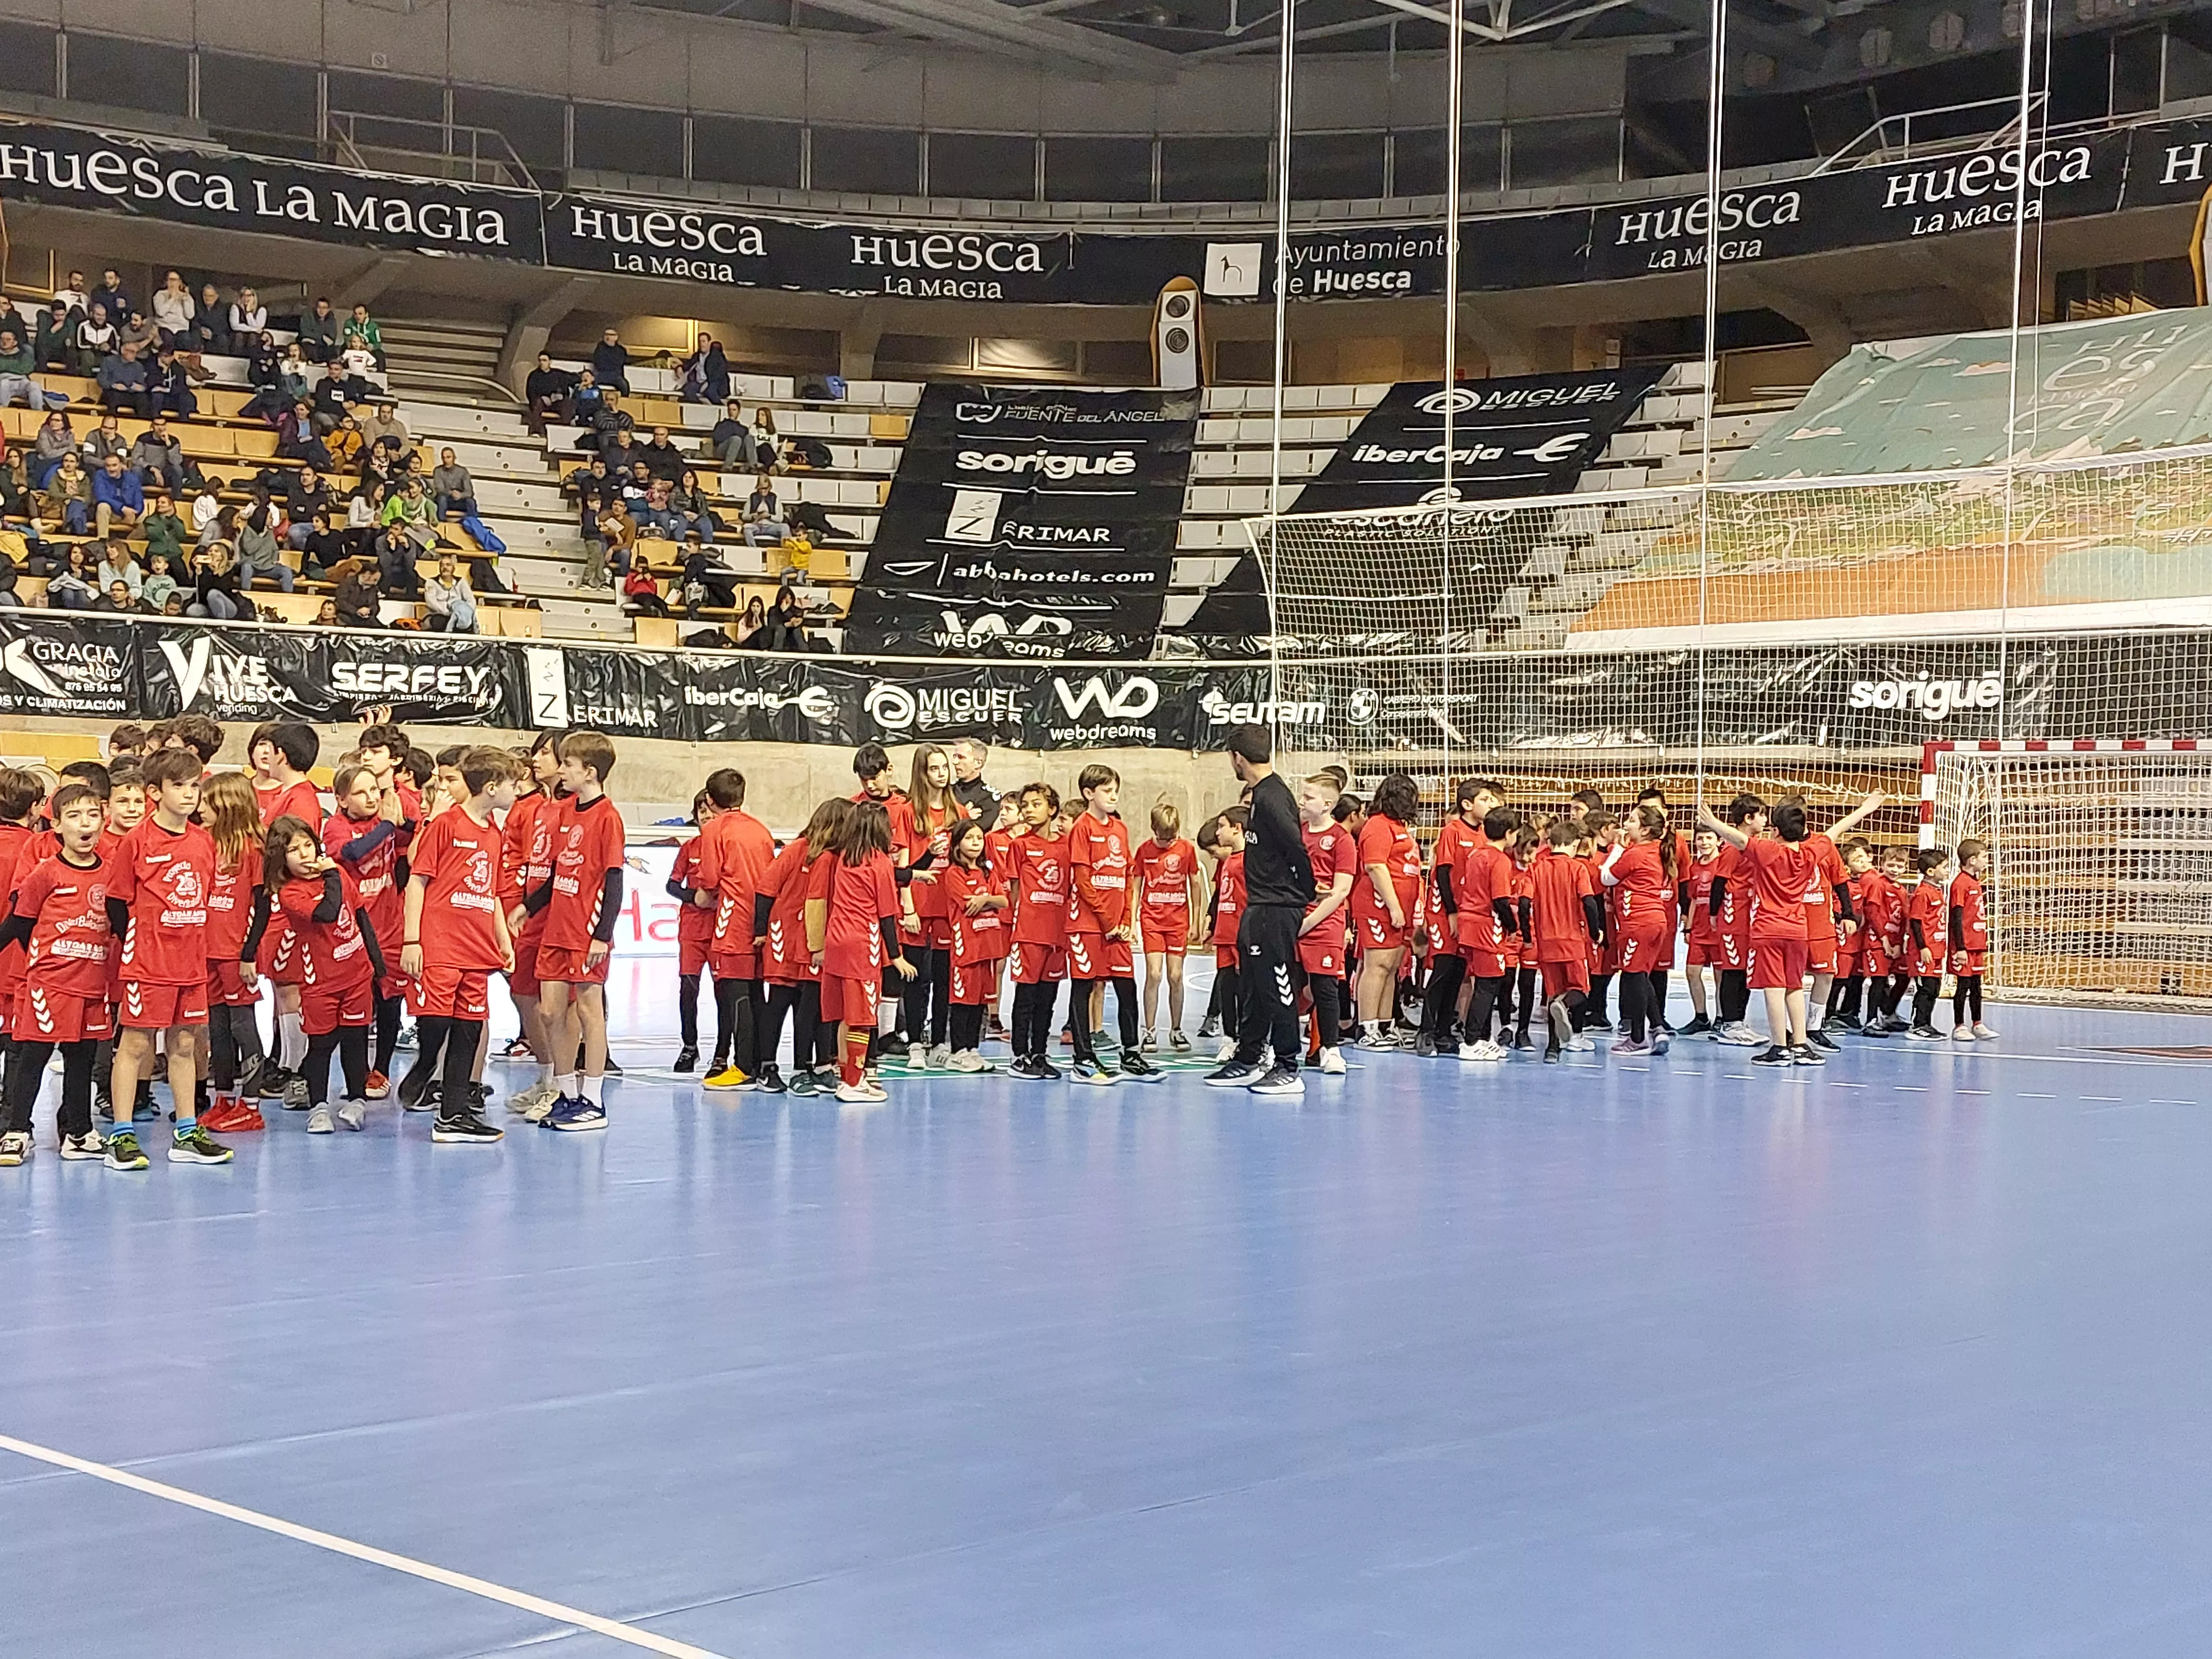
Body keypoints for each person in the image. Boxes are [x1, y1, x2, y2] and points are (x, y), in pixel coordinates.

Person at [106, 748, 231, 1168]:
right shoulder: (137, 840)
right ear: (155, 792)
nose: (189, 794)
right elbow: (117, 901)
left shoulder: (203, 841)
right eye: (179, 785)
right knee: (136, 1043)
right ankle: (122, 1135)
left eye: (195, 785)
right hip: (148, 963)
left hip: (191, 963)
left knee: (185, 1042)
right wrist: (141, 943)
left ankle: (187, 1132)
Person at [398, 746, 519, 1143]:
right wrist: (412, 939)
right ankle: (425, 1065)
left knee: (469, 1028)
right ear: (492, 786)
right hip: (441, 943)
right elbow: (418, 881)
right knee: (437, 1021)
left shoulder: (494, 832)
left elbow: (493, 893)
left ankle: (453, 1114)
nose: (517, 791)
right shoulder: (446, 825)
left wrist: (503, 940)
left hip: (477, 948)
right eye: (512, 784)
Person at [0, 780, 113, 1165]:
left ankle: (79, 1132)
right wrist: (47, 957)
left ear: (103, 821)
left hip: (93, 985)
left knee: (82, 1059)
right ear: (58, 825)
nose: (86, 823)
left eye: (93, 815)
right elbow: (19, 923)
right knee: (34, 1056)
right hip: (49, 984)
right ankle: (17, 1131)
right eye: (75, 816)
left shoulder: (110, 875)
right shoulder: (46, 873)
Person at [525, 731, 625, 1132]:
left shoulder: (608, 817)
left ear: (591, 772)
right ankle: (566, 1095)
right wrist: (527, 907)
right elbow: (557, 872)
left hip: (586, 932)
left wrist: (602, 933)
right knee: (550, 1012)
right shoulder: (567, 811)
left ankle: (594, 1101)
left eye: (568, 764)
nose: (562, 770)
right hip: (556, 929)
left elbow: (614, 880)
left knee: (588, 1010)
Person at [1206, 726, 1313, 1095]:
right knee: (1252, 984)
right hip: (1259, 905)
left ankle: (1288, 1066)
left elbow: (1296, 846)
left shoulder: (1272, 797)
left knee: (1277, 985)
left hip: (1277, 907)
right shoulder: (1260, 795)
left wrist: (1304, 890)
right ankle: (1249, 1057)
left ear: (1237, 757)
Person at [266, 815, 380, 1133]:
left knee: (356, 1040)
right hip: (320, 982)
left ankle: (357, 1100)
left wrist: (377, 966)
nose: (305, 854)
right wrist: (330, 873)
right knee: (322, 1044)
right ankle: (318, 1107)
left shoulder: (338, 874)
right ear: (282, 859)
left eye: (308, 845)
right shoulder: (291, 893)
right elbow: (328, 913)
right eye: (294, 850)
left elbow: (360, 915)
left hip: (356, 976)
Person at [804, 801, 914, 1105]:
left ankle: (849, 1076)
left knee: (844, 1017)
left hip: (836, 941)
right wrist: (896, 956)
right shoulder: (880, 862)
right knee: (862, 1019)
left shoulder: (844, 858)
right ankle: (852, 1083)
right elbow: (887, 915)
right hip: (862, 945)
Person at [1700, 797, 1820, 1066]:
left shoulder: (1765, 849)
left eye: (1769, 817)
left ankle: (1750, 1028)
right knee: (1736, 970)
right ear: (1748, 819)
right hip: (1739, 918)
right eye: (1762, 815)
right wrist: (1714, 914)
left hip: (1760, 921)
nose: (1766, 821)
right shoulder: (1740, 849)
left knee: (1752, 974)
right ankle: (1730, 1024)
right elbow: (1720, 882)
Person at [323, 763, 414, 1101]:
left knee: (390, 1001)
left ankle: (382, 1070)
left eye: (374, 790)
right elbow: (352, 852)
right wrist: (389, 825)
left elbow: (415, 831)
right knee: (358, 1006)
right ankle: (358, 1072)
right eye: (361, 793)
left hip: (391, 929)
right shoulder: (336, 827)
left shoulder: (385, 820)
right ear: (341, 800)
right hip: (355, 932)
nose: (371, 798)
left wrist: (402, 819)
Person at [1065, 763, 1157, 1085]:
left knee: (1126, 987)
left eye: (1116, 790)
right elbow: (1083, 880)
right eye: (1107, 791)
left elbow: (1127, 878)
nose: (1114, 796)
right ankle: (1083, 1059)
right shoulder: (1082, 828)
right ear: (1089, 793)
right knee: (1084, 987)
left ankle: (1131, 1054)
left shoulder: (1120, 829)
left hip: (1117, 928)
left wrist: (1127, 920)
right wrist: (1107, 921)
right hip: (1087, 925)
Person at [692, 768, 776, 1090]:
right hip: (762, 920)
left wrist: (701, 897)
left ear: (710, 800)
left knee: (736, 992)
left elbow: (710, 881)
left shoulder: (714, 831)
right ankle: (760, 1063)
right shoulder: (761, 830)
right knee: (756, 992)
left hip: (734, 919)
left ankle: (742, 1067)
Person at [196, 772, 269, 1137]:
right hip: (207, 953)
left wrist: (249, 953)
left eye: (206, 802)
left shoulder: (254, 850)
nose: (199, 808)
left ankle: (251, 1106)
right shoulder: (205, 843)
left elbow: (263, 906)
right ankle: (224, 1098)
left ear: (227, 806)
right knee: (218, 1028)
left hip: (236, 954)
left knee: (243, 1026)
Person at [893, 745, 966, 1071]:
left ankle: (939, 1042)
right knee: (917, 979)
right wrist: (908, 908)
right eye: (934, 768)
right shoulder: (908, 813)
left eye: (944, 768)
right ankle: (914, 1042)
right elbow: (903, 867)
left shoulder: (959, 813)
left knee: (944, 978)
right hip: (919, 906)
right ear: (922, 773)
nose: (942, 774)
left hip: (947, 909)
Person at [1598, 803, 1678, 1057]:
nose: (1626, 824)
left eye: (1632, 820)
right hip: (1654, 921)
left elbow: (1606, 877)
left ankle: (1638, 1039)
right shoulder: (1656, 850)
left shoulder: (1637, 853)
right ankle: (1658, 1028)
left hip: (1638, 923)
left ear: (1645, 830)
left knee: (1634, 978)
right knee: (1641, 975)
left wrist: (1618, 848)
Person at [1294, 775, 1357, 1077]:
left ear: (1327, 804)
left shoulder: (1342, 840)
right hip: (1295, 918)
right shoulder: (1297, 834)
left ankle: (1330, 1050)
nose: (1302, 801)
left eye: (1309, 797)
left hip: (1324, 923)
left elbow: (1340, 891)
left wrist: (1308, 923)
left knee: (1325, 987)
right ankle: (1281, 1045)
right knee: (1288, 985)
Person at [1006, 784, 1070, 1081]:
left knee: (1048, 999)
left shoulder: (1067, 846)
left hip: (1057, 935)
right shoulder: (1020, 846)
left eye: (1036, 804)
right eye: (1025, 805)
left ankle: (1040, 1053)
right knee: (1026, 996)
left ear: (1052, 809)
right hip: (1029, 933)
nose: (1029, 810)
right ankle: (1020, 1055)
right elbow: (1014, 891)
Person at [1132, 800, 1202, 1053]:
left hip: (1178, 920)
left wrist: (1196, 921)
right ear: (1154, 829)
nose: (1167, 842)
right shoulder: (1144, 851)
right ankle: (1150, 1031)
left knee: (1176, 976)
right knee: (1154, 974)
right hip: (1152, 919)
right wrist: (1132, 922)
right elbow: (1136, 887)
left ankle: (1176, 1029)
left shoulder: (1186, 850)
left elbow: (1195, 885)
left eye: (1171, 837)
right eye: (1163, 838)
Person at [939, 821, 1007, 1073]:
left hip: (989, 947)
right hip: (967, 947)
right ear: (957, 844)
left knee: (980, 1002)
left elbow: (1003, 901)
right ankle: (959, 1051)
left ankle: (973, 1049)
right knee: (963, 1001)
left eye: (979, 838)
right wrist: (986, 901)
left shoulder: (988, 872)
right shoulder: (954, 873)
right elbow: (968, 905)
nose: (976, 843)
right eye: (969, 838)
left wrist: (986, 899)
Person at [1950, 838, 1996, 1040]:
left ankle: (1978, 1023)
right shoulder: (1960, 884)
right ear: (1972, 860)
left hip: (1977, 944)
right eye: (1984, 857)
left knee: (1977, 986)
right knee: (1964, 985)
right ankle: (1959, 1026)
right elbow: (1957, 917)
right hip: (1965, 946)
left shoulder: (1975, 883)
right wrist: (1960, 947)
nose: (1987, 861)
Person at [421, 552, 477, 634]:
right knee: (439, 622)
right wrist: (446, 613)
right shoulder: (431, 582)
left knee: (467, 622)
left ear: (454, 568)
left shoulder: (461, 582)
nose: (445, 568)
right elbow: (431, 602)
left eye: (448, 565)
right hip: (440, 616)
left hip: (459, 615)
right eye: (442, 565)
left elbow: (471, 600)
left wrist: (466, 612)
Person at [524, 351, 575, 437]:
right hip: (541, 403)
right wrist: (542, 397)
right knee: (537, 403)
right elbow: (530, 393)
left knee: (567, 403)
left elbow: (574, 378)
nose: (542, 363)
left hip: (556, 403)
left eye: (544, 360)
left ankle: (565, 428)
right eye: (540, 360)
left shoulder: (558, 374)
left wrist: (561, 395)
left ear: (550, 362)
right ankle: (536, 431)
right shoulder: (534, 375)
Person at [129, 415, 185, 493]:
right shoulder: (143, 439)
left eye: (162, 425)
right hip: (148, 473)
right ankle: (134, 497)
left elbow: (176, 462)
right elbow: (136, 459)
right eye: (157, 425)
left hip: (166, 475)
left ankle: (176, 498)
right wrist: (153, 469)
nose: (160, 428)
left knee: (178, 470)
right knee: (136, 470)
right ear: (153, 426)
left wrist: (169, 445)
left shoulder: (174, 441)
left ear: (166, 425)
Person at [95, 339, 150, 417]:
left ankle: (141, 422)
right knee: (113, 396)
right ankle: (111, 420)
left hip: (130, 393)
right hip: (113, 392)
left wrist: (141, 388)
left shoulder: (139, 366)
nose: (135, 355)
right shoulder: (109, 361)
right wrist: (113, 385)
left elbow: (142, 384)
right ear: (123, 351)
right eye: (132, 352)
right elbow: (101, 381)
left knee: (143, 399)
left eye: (137, 353)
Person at [431, 448, 478, 520]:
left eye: (449, 457)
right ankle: (441, 522)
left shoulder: (463, 471)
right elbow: (440, 489)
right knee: (442, 499)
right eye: (444, 458)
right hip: (446, 499)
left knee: (471, 502)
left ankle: (473, 523)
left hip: (460, 500)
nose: (446, 460)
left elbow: (469, 492)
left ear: (454, 458)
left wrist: (461, 495)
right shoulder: (438, 471)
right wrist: (451, 493)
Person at [708, 398, 754, 470]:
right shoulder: (721, 425)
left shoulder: (744, 429)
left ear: (739, 412)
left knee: (749, 438)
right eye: (730, 410)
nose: (731, 412)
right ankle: (727, 468)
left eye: (734, 410)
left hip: (738, 452)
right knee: (736, 439)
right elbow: (717, 440)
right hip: (722, 451)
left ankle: (753, 466)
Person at [0, 324, 35, 410]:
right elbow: (20, 368)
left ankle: (39, 414)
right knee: (4, 384)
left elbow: (27, 369)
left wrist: (4, 365)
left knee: (35, 386)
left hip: (22, 381)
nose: (4, 342)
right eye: (1, 339)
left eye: (8, 339)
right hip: (3, 380)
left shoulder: (24, 355)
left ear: (15, 342)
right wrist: (16, 365)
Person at [590, 326, 632, 395]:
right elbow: (598, 363)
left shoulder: (621, 351)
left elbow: (619, 364)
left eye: (611, 335)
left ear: (616, 337)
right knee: (591, 382)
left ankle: (624, 400)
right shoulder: (600, 348)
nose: (607, 337)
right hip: (601, 374)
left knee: (624, 386)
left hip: (616, 376)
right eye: (606, 335)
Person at [299, 296, 341, 362]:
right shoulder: (308, 316)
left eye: (324, 308)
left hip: (324, 345)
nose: (322, 310)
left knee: (333, 351)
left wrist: (317, 339)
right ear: (316, 308)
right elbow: (305, 333)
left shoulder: (331, 319)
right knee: (311, 349)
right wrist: (321, 337)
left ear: (328, 309)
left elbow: (332, 336)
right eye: (320, 307)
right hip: (310, 344)